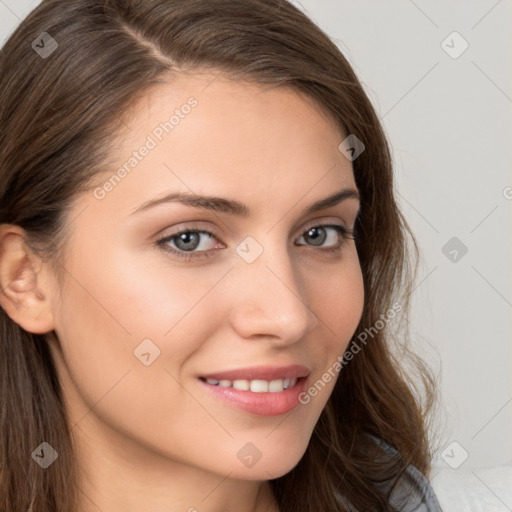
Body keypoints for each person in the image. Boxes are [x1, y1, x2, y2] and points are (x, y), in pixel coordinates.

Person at [0, 1, 442, 510]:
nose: (288, 316)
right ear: (26, 278)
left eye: (319, 233)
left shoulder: (393, 499)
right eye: (189, 239)